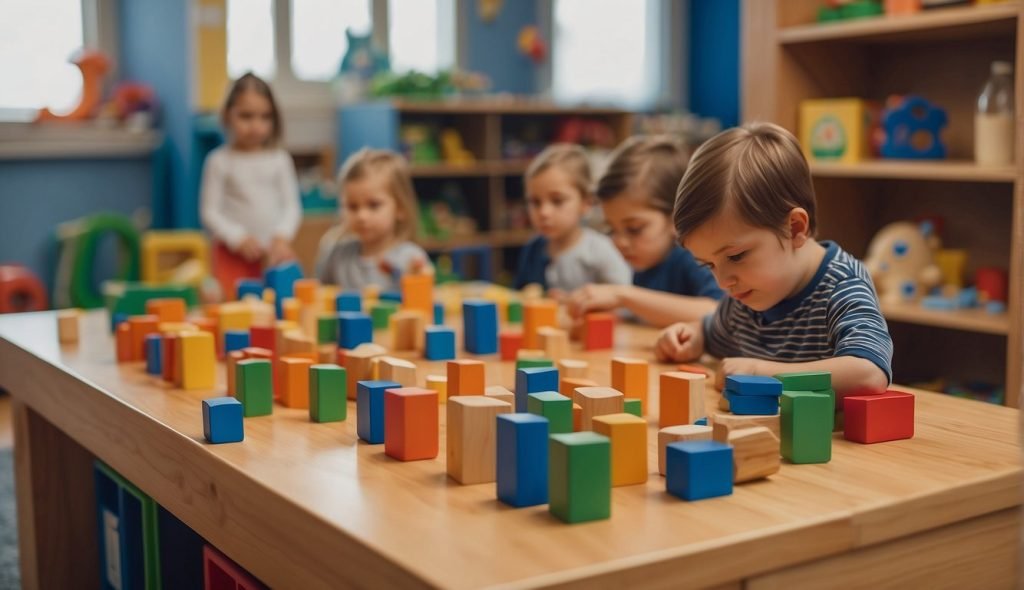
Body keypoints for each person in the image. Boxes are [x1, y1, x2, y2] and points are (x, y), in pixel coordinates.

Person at [655, 123, 891, 396]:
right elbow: (711, 334)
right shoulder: (744, 296)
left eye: (736, 256)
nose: (722, 282)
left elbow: (869, 373)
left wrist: (761, 372)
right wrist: (691, 336)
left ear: (795, 228)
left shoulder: (842, 285)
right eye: (709, 264)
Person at [566, 136, 723, 326]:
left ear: (676, 219)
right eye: (611, 229)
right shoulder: (646, 260)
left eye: (634, 229)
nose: (620, 242)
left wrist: (623, 296)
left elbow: (716, 311)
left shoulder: (692, 256)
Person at [200, 73, 300, 299]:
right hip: (232, 255)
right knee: (234, 312)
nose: (256, 126)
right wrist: (237, 238)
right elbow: (210, 212)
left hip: (273, 254)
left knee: (278, 307)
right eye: (246, 116)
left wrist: (282, 236)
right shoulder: (219, 161)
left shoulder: (280, 159)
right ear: (227, 115)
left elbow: (292, 207)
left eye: (265, 117)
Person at [513, 144, 631, 298]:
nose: (544, 212)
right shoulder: (532, 248)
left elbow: (624, 303)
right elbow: (520, 296)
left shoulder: (602, 251)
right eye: (535, 202)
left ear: (586, 202)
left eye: (557, 201)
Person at [316, 148, 432, 291]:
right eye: (352, 207)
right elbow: (320, 297)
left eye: (373, 205)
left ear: (400, 208)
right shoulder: (336, 255)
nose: (361, 216)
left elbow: (422, 303)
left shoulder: (410, 259)